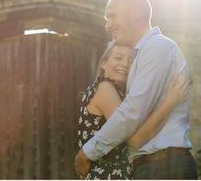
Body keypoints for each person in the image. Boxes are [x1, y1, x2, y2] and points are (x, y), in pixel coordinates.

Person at [75, 0, 198, 179]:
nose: (108, 25)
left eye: (112, 16)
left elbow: (132, 113)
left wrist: (88, 152)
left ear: (135, 14)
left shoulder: (157, 47)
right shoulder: (142, 54)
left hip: (165, 166)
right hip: (152, 166)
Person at [78, 42, 189, 179]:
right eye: (118, 58)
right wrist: (171, 100)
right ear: (104, 63)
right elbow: (135, 139)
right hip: (108, 175)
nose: (125, 64)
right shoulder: (105, 88)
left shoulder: (119, 94)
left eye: (130, 61)